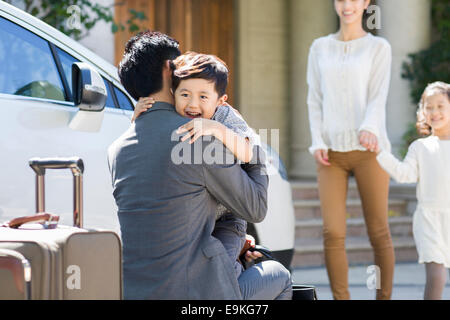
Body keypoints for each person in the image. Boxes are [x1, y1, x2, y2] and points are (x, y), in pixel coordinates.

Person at [107, 30, 292, 300]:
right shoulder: (197, 138)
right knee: (280, 276)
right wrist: (255, 151)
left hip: (138, 292)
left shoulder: (118, 148)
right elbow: (256, 207)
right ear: (170, 71)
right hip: (197, 293)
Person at [132, 52, 261, 278]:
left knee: (221, 272)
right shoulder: (171, 112)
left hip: (226, 218)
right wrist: (138, 115)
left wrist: (217, 130)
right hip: (192, 215)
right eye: (185, 94)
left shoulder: (225, 117)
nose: (192, 104)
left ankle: (242, 267)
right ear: (173, 94)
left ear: (220, 101)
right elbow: (145, 140)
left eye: (203, 97)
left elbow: (249, 152)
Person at [306, 0, 394, 299]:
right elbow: (314, 99)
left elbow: (378, 96)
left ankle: (383, 297)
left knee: (379, 232)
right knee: (333, 233)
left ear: (366, 3)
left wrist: (369, 126)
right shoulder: (319, 47)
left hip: (371, 151)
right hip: (330, 154)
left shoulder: (378, 47)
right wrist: (317, 140)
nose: (348, 5)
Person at [375, 82, 450, 300]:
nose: (434, 112)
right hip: (428, 219)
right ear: (422, 112)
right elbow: (404, 174)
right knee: (436, 275)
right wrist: (380, 153)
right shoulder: (420, 147)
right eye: (428, 107)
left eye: (440, 106)